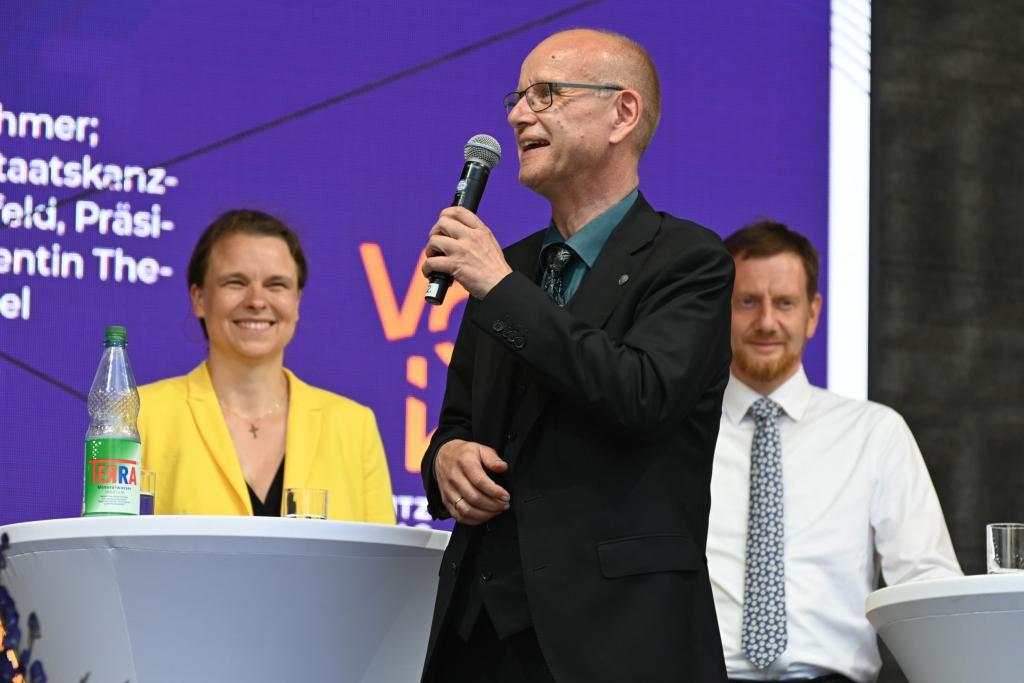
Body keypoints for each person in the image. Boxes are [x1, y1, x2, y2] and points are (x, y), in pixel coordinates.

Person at [419, 28, 733, 683]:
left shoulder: (689, 261)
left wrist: (500, 289)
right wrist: (447, 458)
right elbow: (457, 422)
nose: (516, 116)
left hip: (620, 640)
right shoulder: (509, 267)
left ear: (622, 113)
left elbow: (640, 393)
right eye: (517, 97)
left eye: (547, 94)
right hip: (481, 638)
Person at [707, 219, 961, 683]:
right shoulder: (679, 436)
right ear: (718, 310)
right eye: (747, 302)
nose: (766, 321)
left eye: (784, 303)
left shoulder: (876, 434)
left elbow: (930, 589)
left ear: (812, 313)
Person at [138, 209, 395, 523]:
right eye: (235, 282)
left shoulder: (355, 427)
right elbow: (108, 554)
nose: (257, 301)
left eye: (276, 285)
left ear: (297, 301)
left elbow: (382, 566)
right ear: (199, 298)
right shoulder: (140, 416)